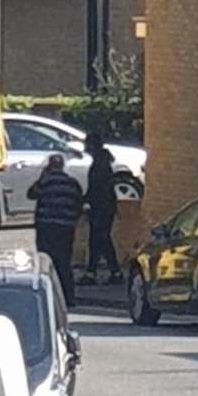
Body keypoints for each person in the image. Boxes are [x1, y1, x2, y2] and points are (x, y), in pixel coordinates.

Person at [27, 152, 84, 306]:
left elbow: (31, 194)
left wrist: (42, 177)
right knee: (64, 262)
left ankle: (48, 296)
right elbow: (79, 203)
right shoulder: (72, 183)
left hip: (46, 227)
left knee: (45, 261)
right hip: (66, 228)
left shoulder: (45, 182)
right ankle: (68, 297)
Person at [83, 131, 121, 283]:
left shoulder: (100, 164)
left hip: (101, 207)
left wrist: (86, 200)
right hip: (104, 206)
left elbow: (98, 188)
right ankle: (111, 271)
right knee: (100, 239)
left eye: (87, 143)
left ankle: (97, 272)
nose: (85, 146)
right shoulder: (102, 161)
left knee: (99, 238)